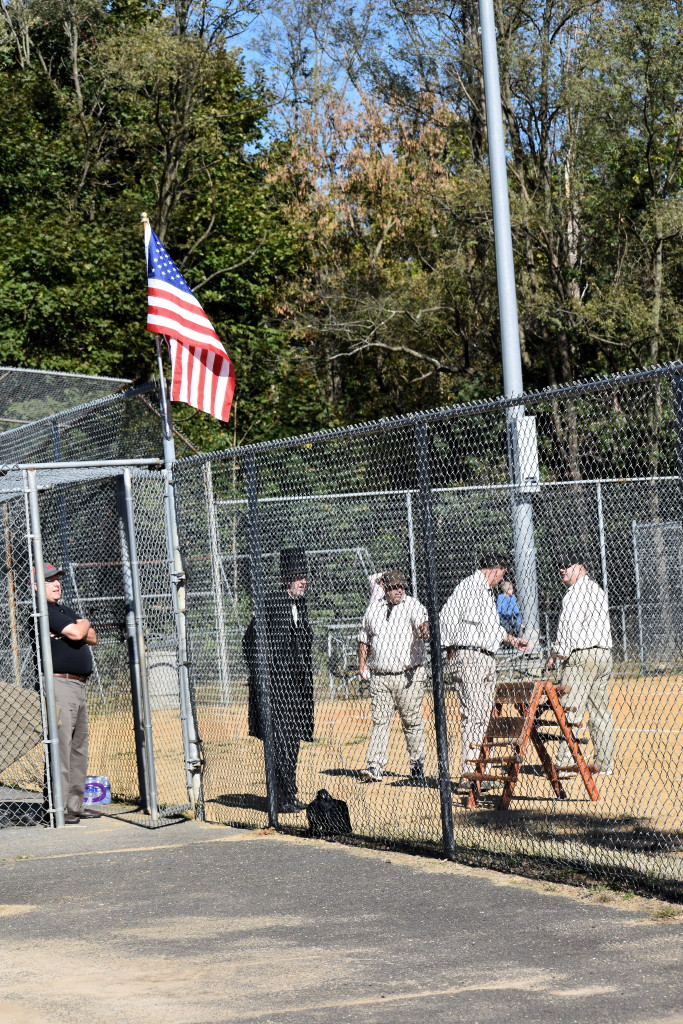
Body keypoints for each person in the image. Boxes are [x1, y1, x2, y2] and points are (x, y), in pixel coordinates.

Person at [439, 553, 528, 776]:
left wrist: (512, 639)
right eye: (501, 575)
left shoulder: (486, 593)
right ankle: (471, 772)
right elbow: (446, 618)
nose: (501, 580)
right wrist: (451, 647)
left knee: (485, 715)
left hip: (486, 657)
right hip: (469, 657)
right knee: (474, 715)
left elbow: (491, 628)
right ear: (495, 570)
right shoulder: (468, 586)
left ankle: (482, 767)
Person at [243, 548, 314, 814]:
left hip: (296, 686)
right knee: (279, 741)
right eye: (297, 577)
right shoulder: (272, 602)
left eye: (304, 576)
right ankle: (278, 797)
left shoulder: (301, 604)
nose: (302, 581)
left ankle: (289, 794)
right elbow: (249, 639)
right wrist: (259, 672)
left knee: (292, 739)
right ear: (285, 578)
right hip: (276, 686)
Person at [37, 562, 98, 824]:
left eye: (57, 579)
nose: (56, 583)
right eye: (50, 580)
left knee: (78, 749)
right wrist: (80, 625)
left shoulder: (63, 610)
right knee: (61, 748)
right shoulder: (40, 612)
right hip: (58, 684)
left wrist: (80, 627)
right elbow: (77, 631)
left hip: (79, 685)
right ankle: (59, 808)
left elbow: (91, 636)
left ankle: (74, 805)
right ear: (37, 586)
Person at [545, 552, 615, 777]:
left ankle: (566, 765)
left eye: (567, 565)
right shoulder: (597, 590)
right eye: (559, 565)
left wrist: (556, 655)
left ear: (581, 568)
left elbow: (568, 629)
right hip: (604, 654)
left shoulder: (574, 593)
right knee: (600, 711)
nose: (562, 569)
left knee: (570, 711)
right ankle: (605, 763)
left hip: (581, 657)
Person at [357, 570, 429, 784]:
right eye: (394, 587)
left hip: (409, 675)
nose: (399, 590)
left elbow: (422, 623)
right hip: (380, 676)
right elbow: (364, 639)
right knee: (380, 722)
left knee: (412, 721)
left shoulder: (412, 605)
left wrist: (424, 629)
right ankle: (375, 766)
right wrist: (362, 664)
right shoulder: (373, 609)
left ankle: (417, 766)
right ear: (385, 589)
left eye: (402, 587)